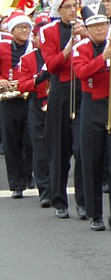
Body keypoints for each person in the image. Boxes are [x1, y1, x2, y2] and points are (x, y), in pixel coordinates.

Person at [72, 0, 111, 232]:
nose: (100, 29)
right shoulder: (81, 48)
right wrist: (102, 59)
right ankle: (95, 213)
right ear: (86, 29)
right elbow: (81, 73)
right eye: (94, 26)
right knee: (92, 162)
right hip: (92, 107)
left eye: (103, 25)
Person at [41, 0, 87, 219]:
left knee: (82, 148)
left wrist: (85, 36)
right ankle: (59, 200)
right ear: (59, 9)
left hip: (81, 89)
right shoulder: (49, 31)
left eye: (74, 6)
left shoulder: (84, 28)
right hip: (60, 91)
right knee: (59, 149)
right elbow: (51, 65)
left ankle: (83, 201)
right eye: (67, 7)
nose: (72, 11)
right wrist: (69, 47)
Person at [0, 7, 35, 200]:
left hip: (29, 98)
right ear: (11, 30)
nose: (24, 30)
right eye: (20, 27)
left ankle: (28, 174)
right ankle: (16, 184)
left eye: (27, 27)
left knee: (30, 141)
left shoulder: (34, 48)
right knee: (11, 142)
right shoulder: (2, 47)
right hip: (8, 100)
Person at [18, 15, 52, 207]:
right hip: (38, 104)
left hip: (57, 103)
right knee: (40, 149)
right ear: (35, 37)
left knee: (59, 148)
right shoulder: (28, 59)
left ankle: (56, 186)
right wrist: (39, 79)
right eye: (40, 34)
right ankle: (45, 191)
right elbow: (23, 85)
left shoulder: (59, 54)